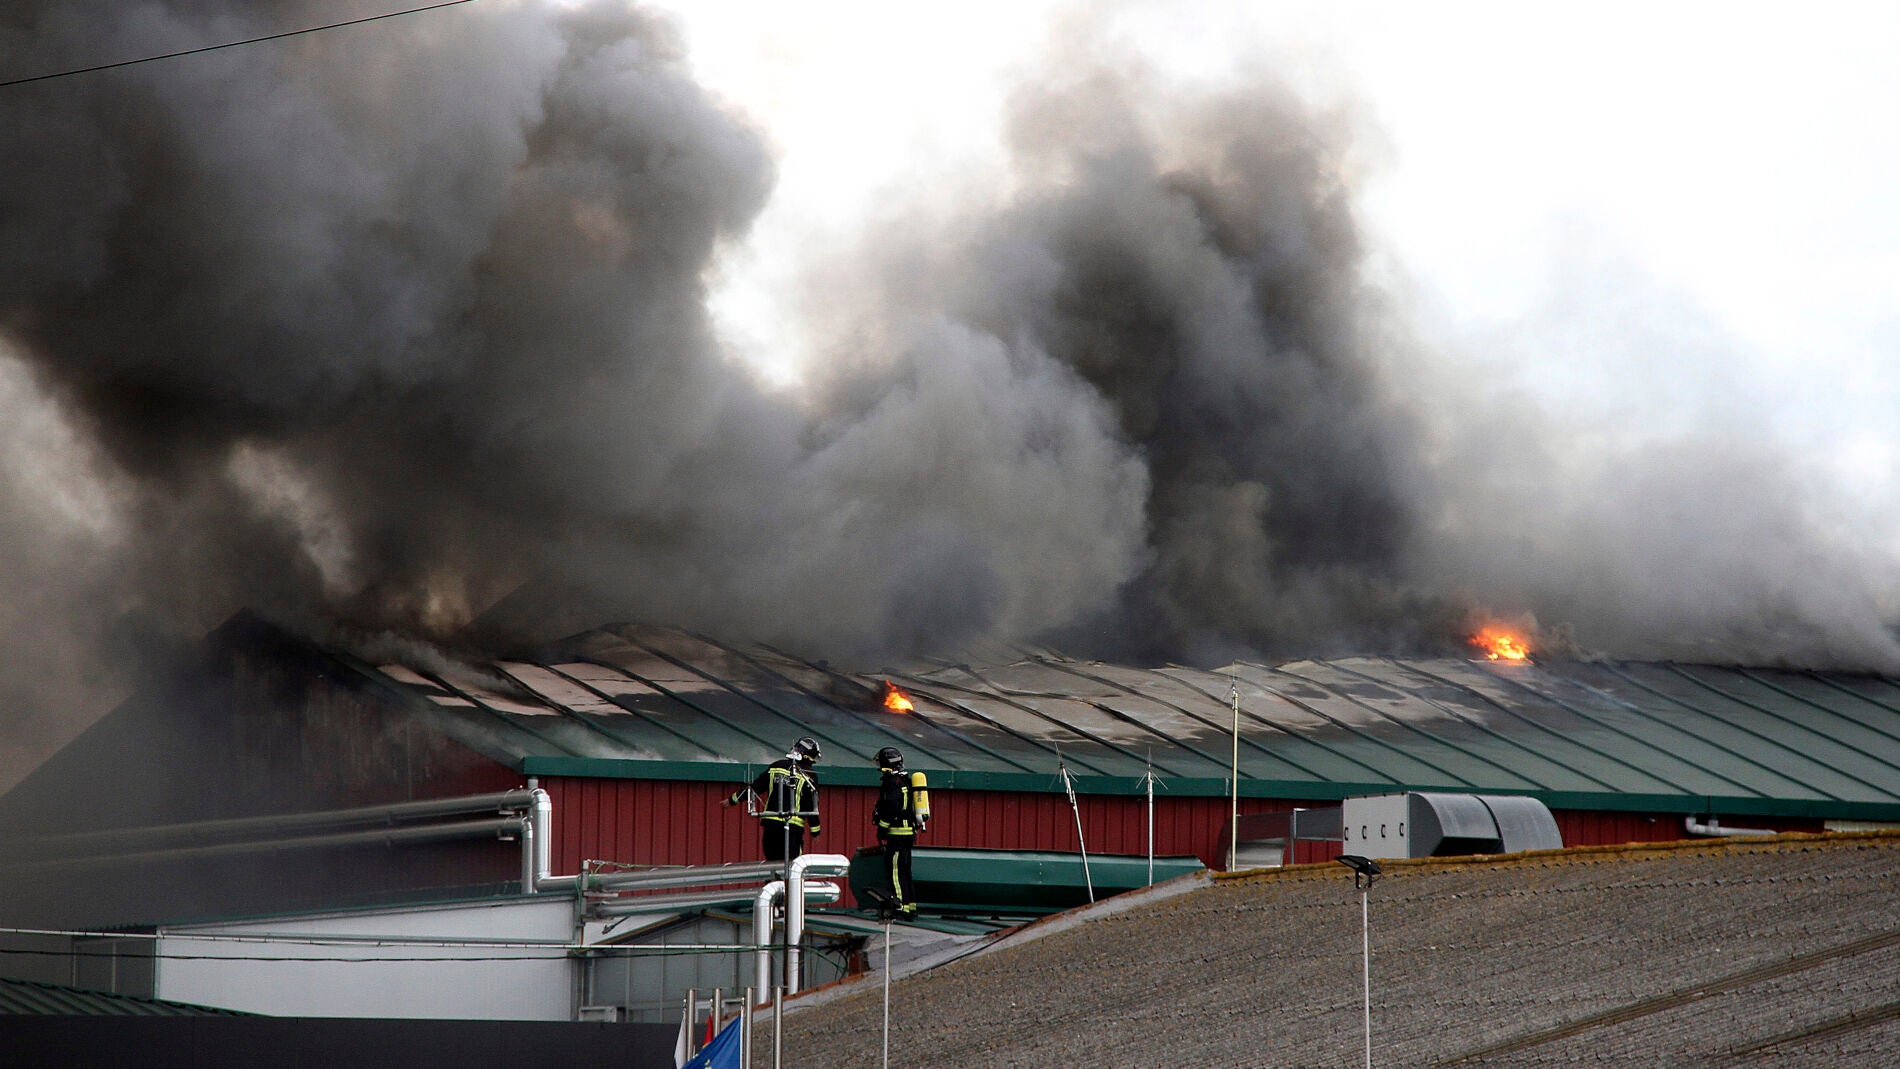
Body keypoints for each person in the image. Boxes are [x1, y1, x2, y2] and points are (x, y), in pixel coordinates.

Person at [722, 736, 822, 861]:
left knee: (772, 866)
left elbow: (755, 787)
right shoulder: (809, 775)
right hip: (792, 827)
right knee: (793, 869)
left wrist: (731, 800)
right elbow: (811, 805)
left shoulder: (776, 766)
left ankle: (772, 882)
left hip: (771, 826)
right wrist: (815, 832)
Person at [872, 745, 929, 916]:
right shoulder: (905, 780)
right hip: (907, 834)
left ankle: (899, 906)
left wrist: (881, 829)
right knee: (905, 871)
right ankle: (910, 905)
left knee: (895, 872)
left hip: (896, 834)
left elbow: (891, 808)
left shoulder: (892, 783)